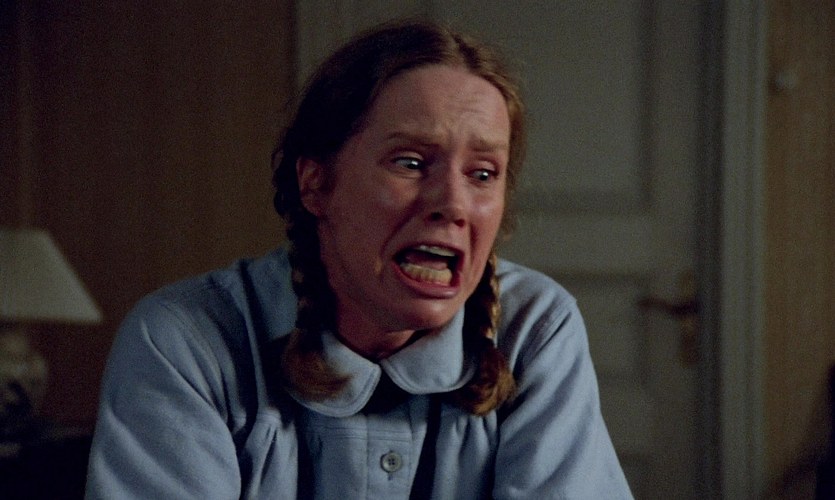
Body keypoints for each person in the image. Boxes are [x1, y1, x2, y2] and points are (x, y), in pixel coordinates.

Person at [86, 20, 632, 499]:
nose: (454, 204)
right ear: (315, 183)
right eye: (410, 162)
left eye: (483, 174)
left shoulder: (534, 328)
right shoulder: (185, 341)